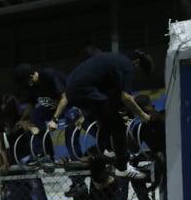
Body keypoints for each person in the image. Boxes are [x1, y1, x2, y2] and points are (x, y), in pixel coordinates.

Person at [65, 50, 154, 180]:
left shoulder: (115, 62)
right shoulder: (127, 66)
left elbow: (115, 96)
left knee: (108, 116)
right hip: (84, 90)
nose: (136, 76)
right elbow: (126, 97)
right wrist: (143, 116)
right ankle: (122, 168)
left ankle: (109, 150)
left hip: (74, 90)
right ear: (137, 62)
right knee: (118, 126)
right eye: (140, 72)